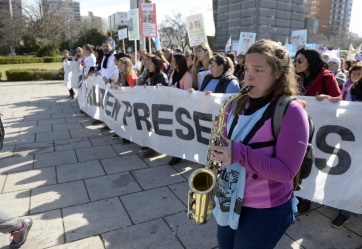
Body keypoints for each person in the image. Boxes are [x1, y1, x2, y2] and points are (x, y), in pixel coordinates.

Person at [210, 39, 309, 249]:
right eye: (246, 68)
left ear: (279, 73)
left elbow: (286, 172)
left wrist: (239, 153)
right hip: (230, 198)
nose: (248, 76)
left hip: (265, 210)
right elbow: (226, 144)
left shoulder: (291, 112)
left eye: (258, 70)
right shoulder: (235, 104)